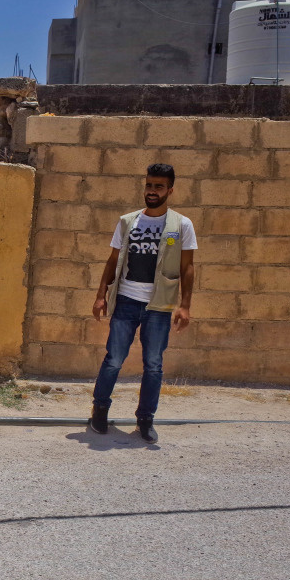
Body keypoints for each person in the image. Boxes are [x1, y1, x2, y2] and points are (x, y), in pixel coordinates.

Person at [89, 164, 196, 443]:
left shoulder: (181, 225)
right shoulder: (128, 221)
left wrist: (185, 305)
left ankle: (145, 419)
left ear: (170, 190)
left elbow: (188, 267)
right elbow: (113, 261)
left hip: (158, 307)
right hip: (125, 301)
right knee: (113, 359)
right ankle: (99, 411)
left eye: (159, 186)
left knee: (153, 364)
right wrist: (101, 295)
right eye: (149, 185)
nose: (152, 191)